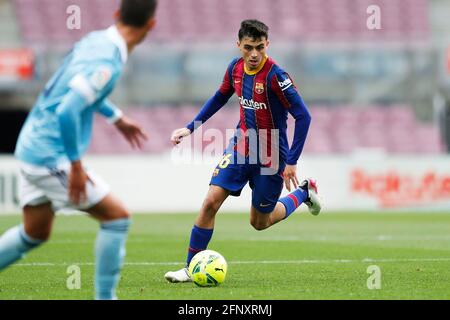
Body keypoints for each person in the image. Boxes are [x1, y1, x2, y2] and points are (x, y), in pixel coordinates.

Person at [0, 0, 158, 300]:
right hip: (50, 155)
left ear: (116, 14)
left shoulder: (95, 41)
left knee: (34, 232)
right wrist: (75, 165)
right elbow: (67, 111)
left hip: (30, 145)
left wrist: (117, 118)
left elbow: (75, 91)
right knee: (117, 218)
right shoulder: (107, 62)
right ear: (151, 25)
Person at [165, 19, 322, 283]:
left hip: (272, 153)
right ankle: (191, 268)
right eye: (248, 47)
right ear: (238, 44)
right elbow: (219, 97)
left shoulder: (277, 77)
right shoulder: (235, 69)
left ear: (267, 45)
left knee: (260, 222)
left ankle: (304, 192)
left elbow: (303, 117)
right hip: (241, 145)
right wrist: (190, 128)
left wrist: (292, 162)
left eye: (260, 47)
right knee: (210, 202)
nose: (254, 54)